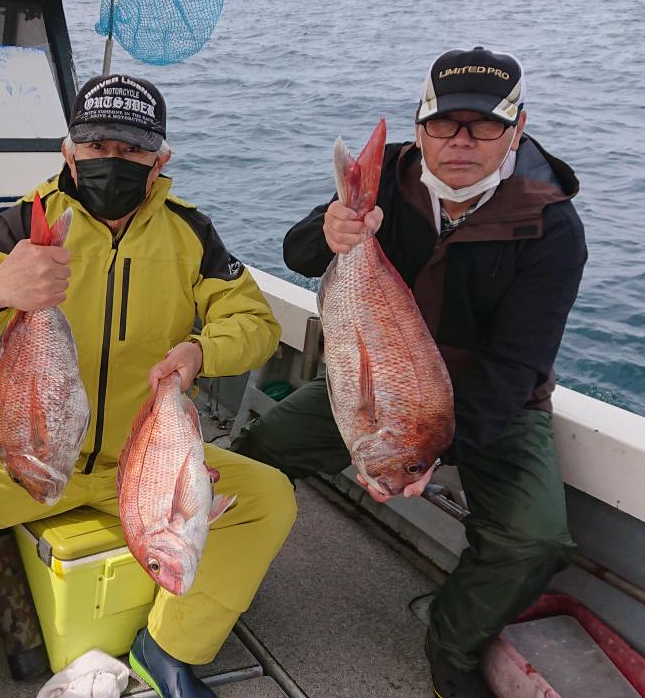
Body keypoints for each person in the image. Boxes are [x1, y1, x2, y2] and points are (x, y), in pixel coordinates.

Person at [0, 73, 296, 698]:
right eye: (97, 145)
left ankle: (168, 649)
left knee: (268, 496)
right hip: (32, 454)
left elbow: (256, 325)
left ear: (159, 160)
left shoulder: (192, 233)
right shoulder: (25, 224)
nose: (111, 160)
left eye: (131, 149)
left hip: (145, 460)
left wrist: (202, 351)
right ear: (69, 152)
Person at [232, 47, 587, 698]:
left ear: (518, 128)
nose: (461, 141)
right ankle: (224, 580)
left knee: (535, 539)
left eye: (484, 124)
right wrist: (331, 231)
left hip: (494, 401)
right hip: (379, 381)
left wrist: (431, 447)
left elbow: (517, 365)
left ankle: (451, 641)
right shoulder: (388, 182)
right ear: (419, 127)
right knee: (258, 451)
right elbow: (298, 254)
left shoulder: (552, 225)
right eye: (443, 122)